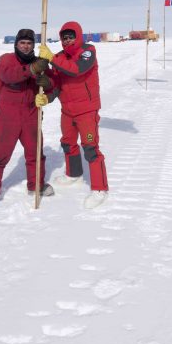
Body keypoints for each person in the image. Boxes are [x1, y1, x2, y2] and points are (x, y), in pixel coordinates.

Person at [0, 28, 55, 211]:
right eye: (22, 43)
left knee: (36, 153)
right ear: (16, 44)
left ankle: (36, 185)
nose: (26, 46)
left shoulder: (40, 63)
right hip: (7, 116)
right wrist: (32, 69)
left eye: (29, 43)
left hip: (31, 113)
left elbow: (52, 85)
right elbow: (8, 75)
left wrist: (47, 85)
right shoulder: (6, 60)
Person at [38, 20, 109, 209]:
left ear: (78, 36)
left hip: (86, 111)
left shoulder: (88, 51)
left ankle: (100, 188)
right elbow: (57, 85)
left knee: (90, 148)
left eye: (71, 37)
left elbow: (77, 70)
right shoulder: (60, 57)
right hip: (67, 111)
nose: (67, 40)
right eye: (64, 38)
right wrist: (47, 97)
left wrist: (52, 58)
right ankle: (74, 174)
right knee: (68, 143)